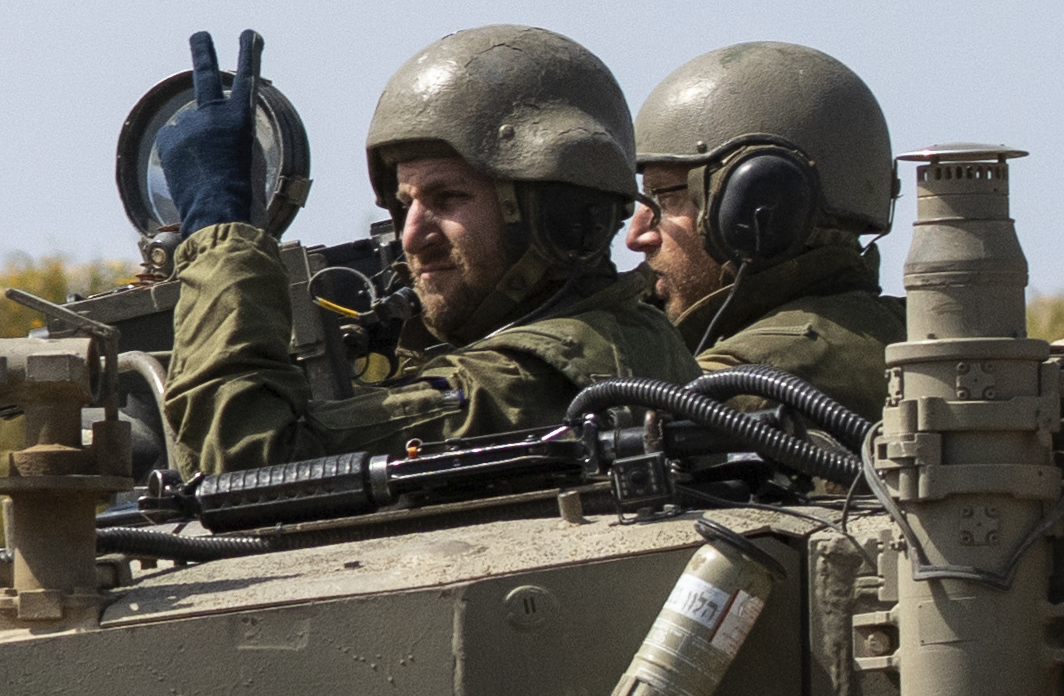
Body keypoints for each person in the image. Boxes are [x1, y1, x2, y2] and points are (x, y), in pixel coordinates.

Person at [147, 25, 692, 477]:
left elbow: (249, 466)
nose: (412, 236)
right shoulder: (625, 338)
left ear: (564, 215)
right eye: (404, 205)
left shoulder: (528, 381)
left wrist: (220, 236)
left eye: (448, 197)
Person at [627, 40, 900, 423]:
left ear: (758, 202)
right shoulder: (904, 334)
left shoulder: (739, 385)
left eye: (663, 200)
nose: (636, 235)